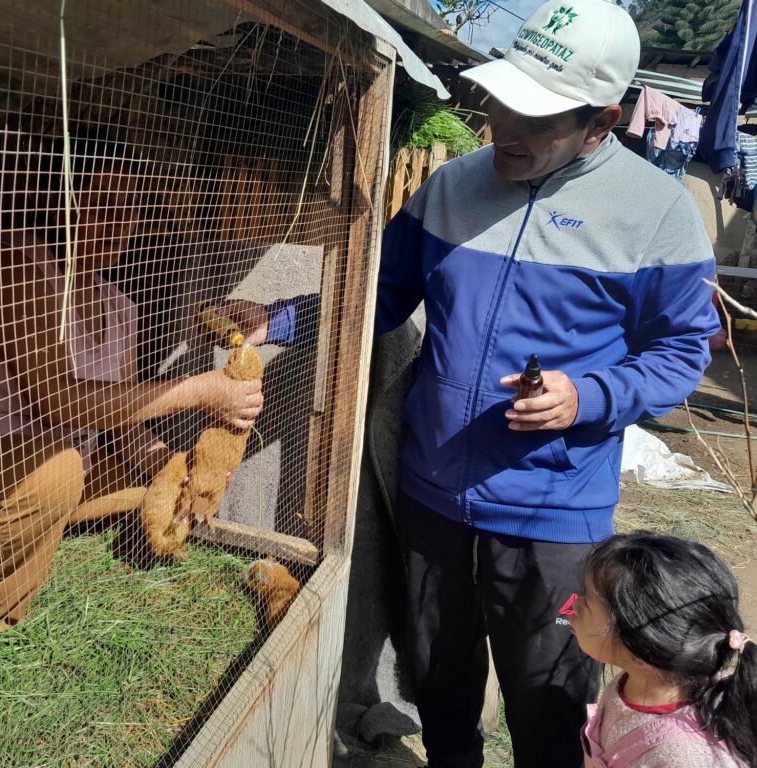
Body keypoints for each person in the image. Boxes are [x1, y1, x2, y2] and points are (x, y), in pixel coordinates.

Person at [216, 0, 720, 764]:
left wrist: (587, 398)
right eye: (503, 103)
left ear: (602, 122)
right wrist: (280, 319)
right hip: (434, 491)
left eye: (537, 119)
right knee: (439, 679)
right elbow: (374, 295)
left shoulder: (656, 214)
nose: (505, 130)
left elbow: (682, 353)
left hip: (552, 511)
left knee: (550, 700)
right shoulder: (452, 187)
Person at [0, 131, 262, 631]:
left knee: (154, 478)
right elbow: (59, 402)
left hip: (42, 474)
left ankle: (40, 524)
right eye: (101, 205)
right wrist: (199, 391)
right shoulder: (11, 261)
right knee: (61, 468)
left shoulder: (119, 309)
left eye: (129, 210)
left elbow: (123, 427)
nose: (118, 224)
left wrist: (176, 467)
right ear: (61, 203)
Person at [571, 532, 755, 767]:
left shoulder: (683, 758)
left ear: (641, 651)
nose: (575, 604)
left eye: (587, 602)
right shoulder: (633, 682)